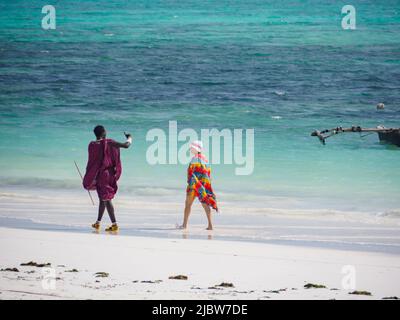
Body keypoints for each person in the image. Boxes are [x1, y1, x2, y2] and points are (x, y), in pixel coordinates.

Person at [83, 125, 132, 232]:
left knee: (104, 198)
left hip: (98, 175)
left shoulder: (91, 145)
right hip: (106, 175)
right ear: (104, 133)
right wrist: (129, 138)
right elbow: (126, 145)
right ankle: (112, 224)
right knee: (105, 199)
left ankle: (99, 223)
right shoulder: (109, 143)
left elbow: (92, 162)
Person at [179, 140, 218, 230]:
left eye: (192, 148)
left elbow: (191, 172)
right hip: (202, 185)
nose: (191, 149)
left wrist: (190, 182)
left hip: (194, 185)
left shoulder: (194, 159)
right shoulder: (205, 159)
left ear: (196, 149)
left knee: (188, 204)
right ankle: (210, 225)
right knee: (205, 204)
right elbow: (207, 173)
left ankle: (184, 225)